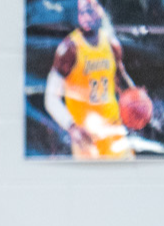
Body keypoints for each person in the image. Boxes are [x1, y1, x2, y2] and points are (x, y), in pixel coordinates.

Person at [45, 0, 141, 160]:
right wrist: (71, 127)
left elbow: (121, 81)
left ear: (101, 10)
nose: (85, 17)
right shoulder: (69, 49)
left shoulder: (112, 44)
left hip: (113, 131)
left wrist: (137, 98)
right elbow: (50, 98)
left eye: (89, 11)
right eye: (81, 12)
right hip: (86, 137)